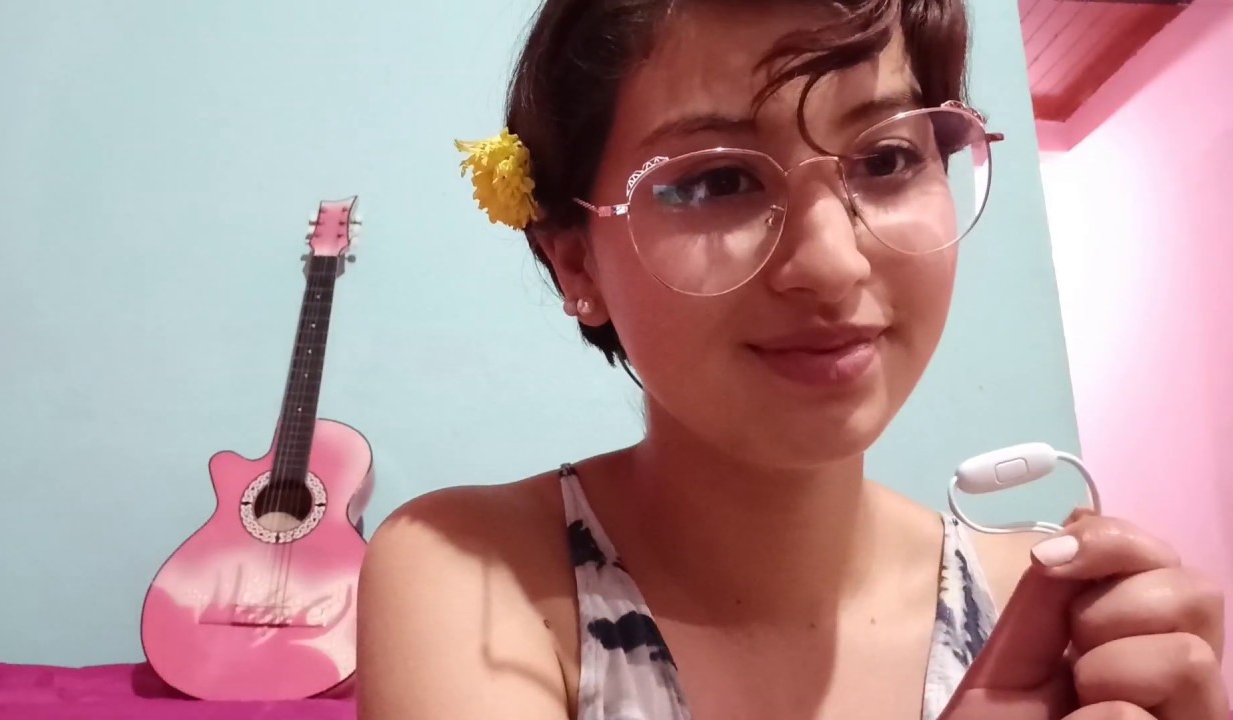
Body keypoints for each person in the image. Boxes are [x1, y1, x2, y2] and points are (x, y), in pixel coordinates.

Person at [356, 1, 1226, 718]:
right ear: (576, 262)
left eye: (887, 158)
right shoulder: (475, 581)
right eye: (716, 182)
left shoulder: (1048, 612)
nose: (833, 264)